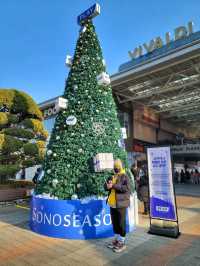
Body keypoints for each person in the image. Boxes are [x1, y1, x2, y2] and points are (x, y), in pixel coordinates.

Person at [104, 159, 131, 253]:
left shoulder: (125, 176)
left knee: (121, 223)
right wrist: (107, 186)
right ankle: (116, 240)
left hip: (121, 204)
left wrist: (114, 186)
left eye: (117, 167)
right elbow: (107, 186)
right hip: (113, 203)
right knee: (115, 223)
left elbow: (127, 189)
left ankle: (122, 242)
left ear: (120, 167)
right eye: (115, 167)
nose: (116, 169)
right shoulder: (112, 176)